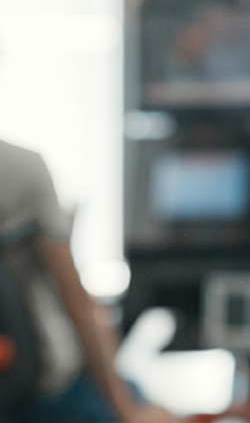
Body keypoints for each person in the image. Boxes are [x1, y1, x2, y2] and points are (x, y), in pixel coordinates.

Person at [0, 139, 182, 423]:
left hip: (16, 381)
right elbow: (79, 306)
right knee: (149, 405)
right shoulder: (23, 169)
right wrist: (126, 412)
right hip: (48, 389)